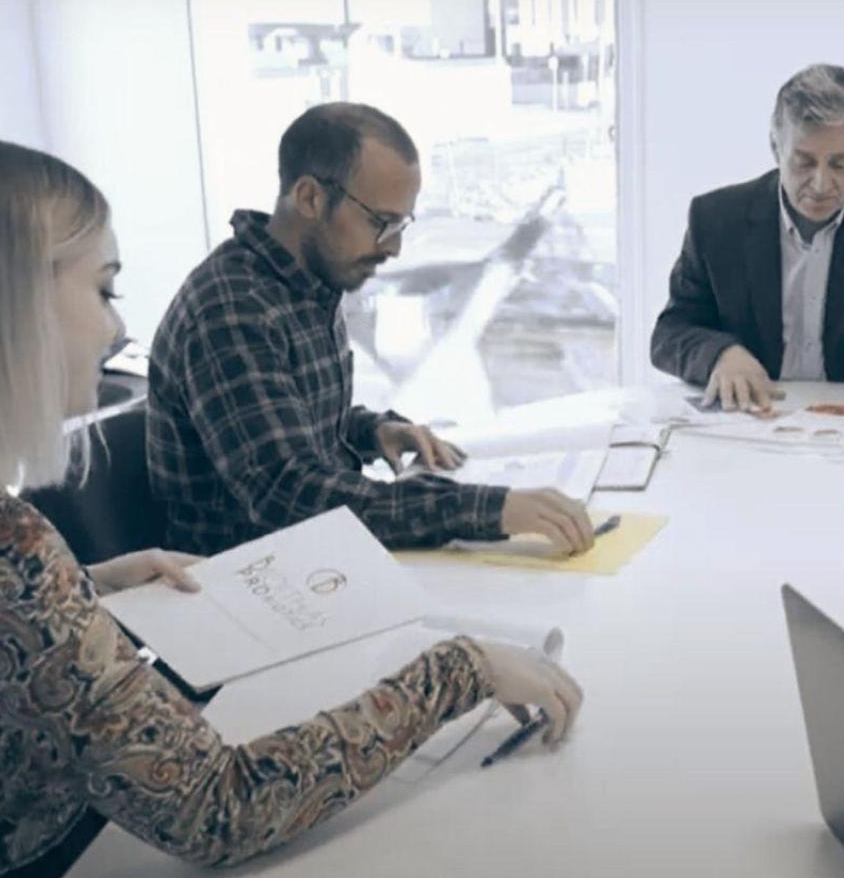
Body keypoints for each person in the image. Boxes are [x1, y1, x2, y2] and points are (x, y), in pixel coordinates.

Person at [0, 138, 585, 878]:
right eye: (105, 290)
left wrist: (79, 588)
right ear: (4, 303)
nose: (116, 332)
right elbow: (217, 807)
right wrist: (462, 670)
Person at [147, 102, 594, 555]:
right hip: (249, 577)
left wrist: (371, 431)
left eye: (401, 225)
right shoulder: (233, 310)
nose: (394, 247)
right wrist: (490, 510)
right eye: (382, 223)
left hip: (312, 559)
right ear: (310, 198)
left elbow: (291, 419)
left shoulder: (304, 283)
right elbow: (291, 495)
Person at [650, 63, 844, 441]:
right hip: (750, 426)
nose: (820, 183)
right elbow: (670, 333)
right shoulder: (717, 219)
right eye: (804, 162)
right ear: (776, 147)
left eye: (839, 164)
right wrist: (720, 353)